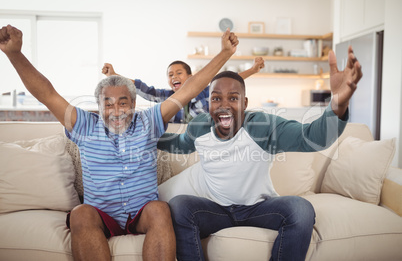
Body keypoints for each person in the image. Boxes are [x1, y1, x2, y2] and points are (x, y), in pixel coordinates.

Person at [0, 24, 239, 261]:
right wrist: (15, 54)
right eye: (108, 104)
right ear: (100, 107)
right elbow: (47, 94)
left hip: (142, 213)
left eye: (123, 103)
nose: (116, 111)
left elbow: (190, 89)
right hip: (102, 215)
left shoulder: (150, 121)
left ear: (133, 105)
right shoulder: (85, 125)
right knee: (80, 214)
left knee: (159, 209)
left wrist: (224, 54)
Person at [157, 46, 362, 260]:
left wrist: (338, 103)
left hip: (258, 208)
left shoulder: (263, 127)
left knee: (301, 210)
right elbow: (179, 144)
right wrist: (147, 134)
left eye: (233, 98)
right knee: (180, 206)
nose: (223, 105)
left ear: (244, 103)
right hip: (215, 209)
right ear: (209, 104)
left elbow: (313, 137)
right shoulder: (200, 127)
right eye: (216, 99)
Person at [101, 57, 265, 123]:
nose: (174, 77)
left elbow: (228, 80)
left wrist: (252, 70)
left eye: (179, 73)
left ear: (191, 77)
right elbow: (143, 89)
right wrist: (115, 75)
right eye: (170, 75)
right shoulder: (166, 96)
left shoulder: (206, 92)